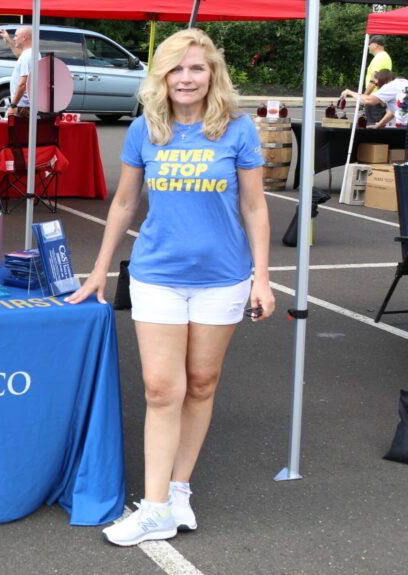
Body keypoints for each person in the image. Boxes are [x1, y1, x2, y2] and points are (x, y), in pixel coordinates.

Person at [65, 28, 275, 546]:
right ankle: (155, 505)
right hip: (157, 275)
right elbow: (123, 203)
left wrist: (262, 278)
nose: (186, 77)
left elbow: (254, 207)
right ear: (161, 76)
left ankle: (179, 491)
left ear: (212, 75)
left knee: (201, 383)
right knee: (162, 389)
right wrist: (99, 269)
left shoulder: (238, 130)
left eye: (197, 68)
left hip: (222, 279)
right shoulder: (145, 129)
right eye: (176, 68)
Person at [342, 69, 408, 129]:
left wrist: (349, 92)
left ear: (382, 81)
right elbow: (393, 112)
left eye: (376, 84)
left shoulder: (390, 86)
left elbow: (368, 100)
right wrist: (378, 125)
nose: (376, 87)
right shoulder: (403, 82)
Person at [364, 35, 393, 125]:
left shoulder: (380, 57)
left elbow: (374, 79)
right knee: (376, 124)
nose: (368, 46)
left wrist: (365, 95)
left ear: (375, 45)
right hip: (378, 97)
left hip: (375, 97)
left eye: (369, 44)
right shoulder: (383, 56)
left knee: (373, 125)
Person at [4, 27, 33, 117]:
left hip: (22, 107)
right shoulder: (31, 53)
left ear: (24, 37)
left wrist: (13, 105)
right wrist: (8, 40)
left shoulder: (27, 56)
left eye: (16, 36)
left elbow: (23, 84)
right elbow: (18, 53)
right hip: (25, 105)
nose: (14, 38)